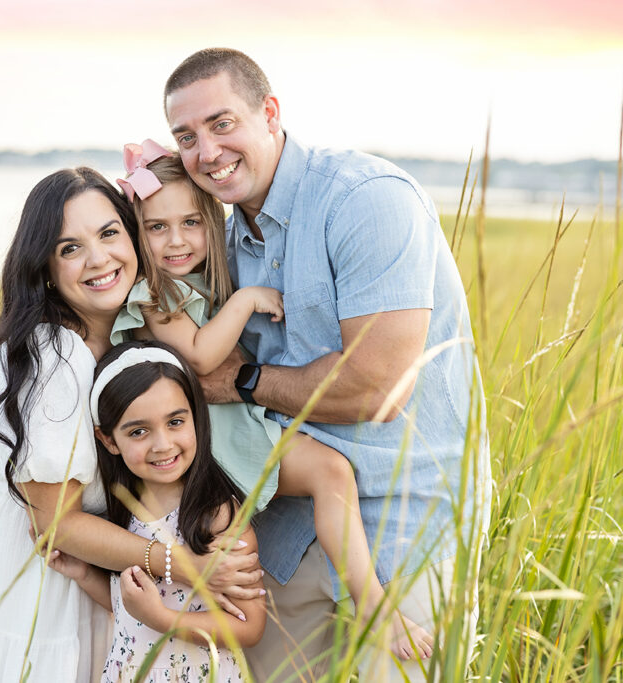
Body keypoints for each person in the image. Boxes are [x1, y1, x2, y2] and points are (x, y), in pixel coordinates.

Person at [162, 48, 491, 681]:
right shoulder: (219, 243)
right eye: (187, 137)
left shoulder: (366, 199)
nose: (206, 151)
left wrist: (242, 381)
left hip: (404, 526)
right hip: (289, 528)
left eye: (221, 123)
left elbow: (377, 388)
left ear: (270, 113)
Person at [0, 167, 261, 682]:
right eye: (69, 248)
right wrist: (186, 566)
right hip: (15, 586)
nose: (98, 259)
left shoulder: (124, 345)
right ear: (44, 267)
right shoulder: (54, 356)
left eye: (109, 234)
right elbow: (55, 524)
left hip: (84, 579)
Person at [112, 142, 435, 660]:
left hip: (228, 422)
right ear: (136, 232)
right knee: (327, 473)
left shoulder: (197, 279)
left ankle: (366, 600)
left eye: (192, 222)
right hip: (208, 438)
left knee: (328, 474)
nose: (177, 241)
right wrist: (245, 301)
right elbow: (198, 356)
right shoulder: (155, 293)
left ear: (213, 224)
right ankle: (371, 601)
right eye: (156, 227)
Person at [48, 340, 266, 682]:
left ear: (195, 416)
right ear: (108, 441)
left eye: (175, 422)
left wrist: (163, 620)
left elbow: (250, 627)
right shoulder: (120, 512)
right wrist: (86, 575)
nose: (163, 444)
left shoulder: (215, 514)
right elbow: (135, 610)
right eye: (138, 431)